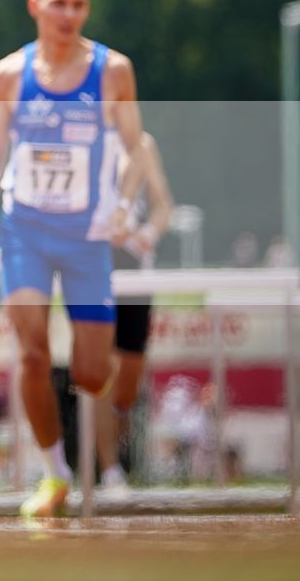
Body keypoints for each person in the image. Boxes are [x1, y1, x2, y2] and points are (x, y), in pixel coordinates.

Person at [0, 0, 144, 518]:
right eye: (58, 3)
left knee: (91, 372)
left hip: (87, 235)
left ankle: (100, 444)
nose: (68, 14)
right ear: (35, 6)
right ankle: (54, 473)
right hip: (27, 230)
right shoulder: (9, 75)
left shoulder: (112, 70)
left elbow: (136, 149)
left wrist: (121, 207)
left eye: (79, 5)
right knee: (33, 353)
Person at [97, 131, 174, 491]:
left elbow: (163, 206)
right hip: (93, 264)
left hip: (135, 265)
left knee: (129, 372)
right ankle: (109, 467)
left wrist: (149, 234)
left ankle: (120, 449)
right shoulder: (79, 135)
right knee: (102, 369)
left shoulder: (141, 143)